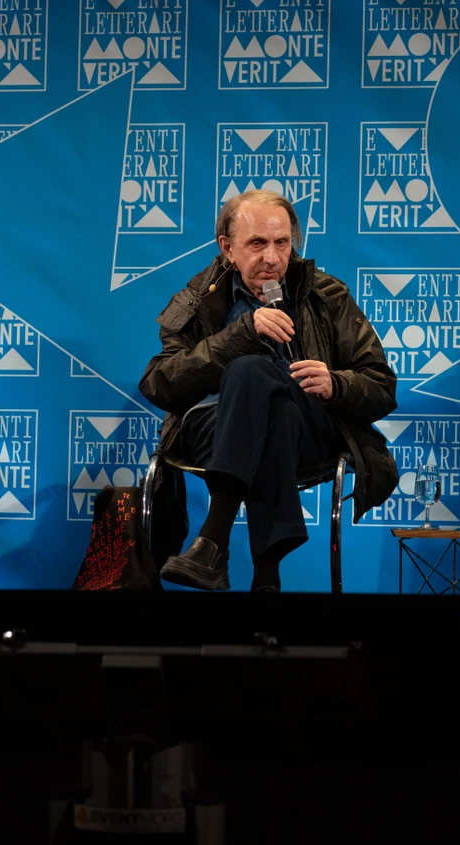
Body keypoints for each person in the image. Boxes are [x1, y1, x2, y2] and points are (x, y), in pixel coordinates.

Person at [139, 190, 399, 592]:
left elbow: (381, 385)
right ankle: (267, 579)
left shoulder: (326, 295)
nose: (273, 259)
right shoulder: (198, 300)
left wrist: (336, 383)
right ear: (227, 248)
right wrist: (241, 334)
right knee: (264, 392)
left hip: (312, 432)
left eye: (282, 243)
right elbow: (159, 383)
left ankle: (213, 541)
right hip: (215, 430)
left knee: (260, 382)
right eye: (257, 243)